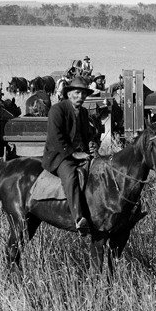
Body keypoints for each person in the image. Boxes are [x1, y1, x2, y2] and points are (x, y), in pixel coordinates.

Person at [42, 76, 100, 233]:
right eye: (77, 93)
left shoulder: (82, 112)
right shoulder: (57, 110)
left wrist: (91, 145)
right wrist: (74, 154)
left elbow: (85, 135)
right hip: (60, 156)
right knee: (70, 176)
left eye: (83, 94)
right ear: (68, 94)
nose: (80, 97)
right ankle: (78, 218)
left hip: (79, 153)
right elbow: (56, 138)